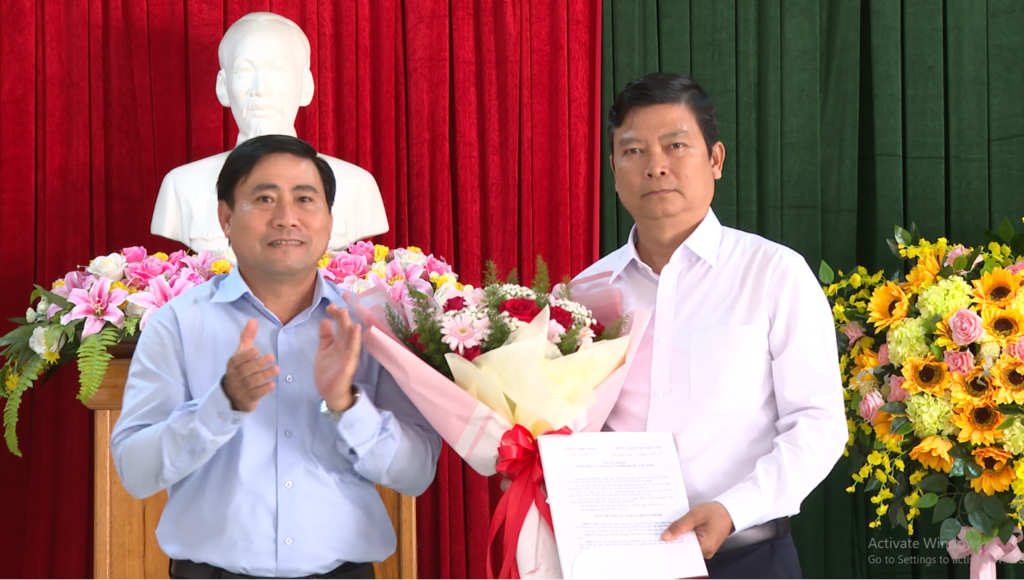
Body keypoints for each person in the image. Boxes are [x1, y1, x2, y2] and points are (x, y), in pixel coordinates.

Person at [112, 134, 440, 579]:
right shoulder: (177, 325)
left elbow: (416, 473)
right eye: (264, 198)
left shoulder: (370, 327)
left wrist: (345, 405)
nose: (287, 217)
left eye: (305, 199)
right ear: (226, 218)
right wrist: (221, 405)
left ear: (328, 220)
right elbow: (135, 471)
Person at [575, 72, 846, 579]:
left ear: (716, 159)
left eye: (675, 145)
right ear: (613, 169)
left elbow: (818, 422)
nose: (656, 166)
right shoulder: (584, 293)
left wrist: (733, 509)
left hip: (747, 558)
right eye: (633, 151)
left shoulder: (773, 273)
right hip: (617, 560)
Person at [151, 12, 388, 255]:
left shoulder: (357, 186)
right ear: (223, 87)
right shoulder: (181, 187)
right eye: (244, 71)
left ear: (306, 87)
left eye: (278, 70)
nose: (260, 89)